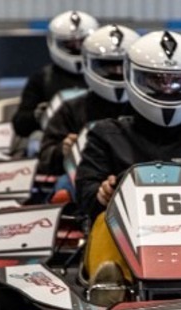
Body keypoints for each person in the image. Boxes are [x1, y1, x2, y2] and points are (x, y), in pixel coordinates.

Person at [75, 31, 181, 302]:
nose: (167, 88)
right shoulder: (107, 135)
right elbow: (84, 195)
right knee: (105, 217)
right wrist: (100, 194)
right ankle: (109, 286)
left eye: (176, 81)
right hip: (126, 241)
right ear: (135, 77)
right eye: (157, 79)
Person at [37, 24, 139, 188]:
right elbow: (44, 160)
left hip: (139, 185)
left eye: (123, 65)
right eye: (110, 65)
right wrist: (62, 151)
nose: (118, 71)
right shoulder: (71, 109)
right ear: (88, 63)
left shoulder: (147, 112)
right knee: (63, 186)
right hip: (86, 184)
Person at [11, 10, 98, 139]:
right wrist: (38, 115)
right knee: (36, 137)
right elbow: (20, 125)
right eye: (70, 44)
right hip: (57, 142)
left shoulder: (104, 76)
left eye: (82, 42)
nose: (77, 47)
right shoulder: (43, 78)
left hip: (98, 140)